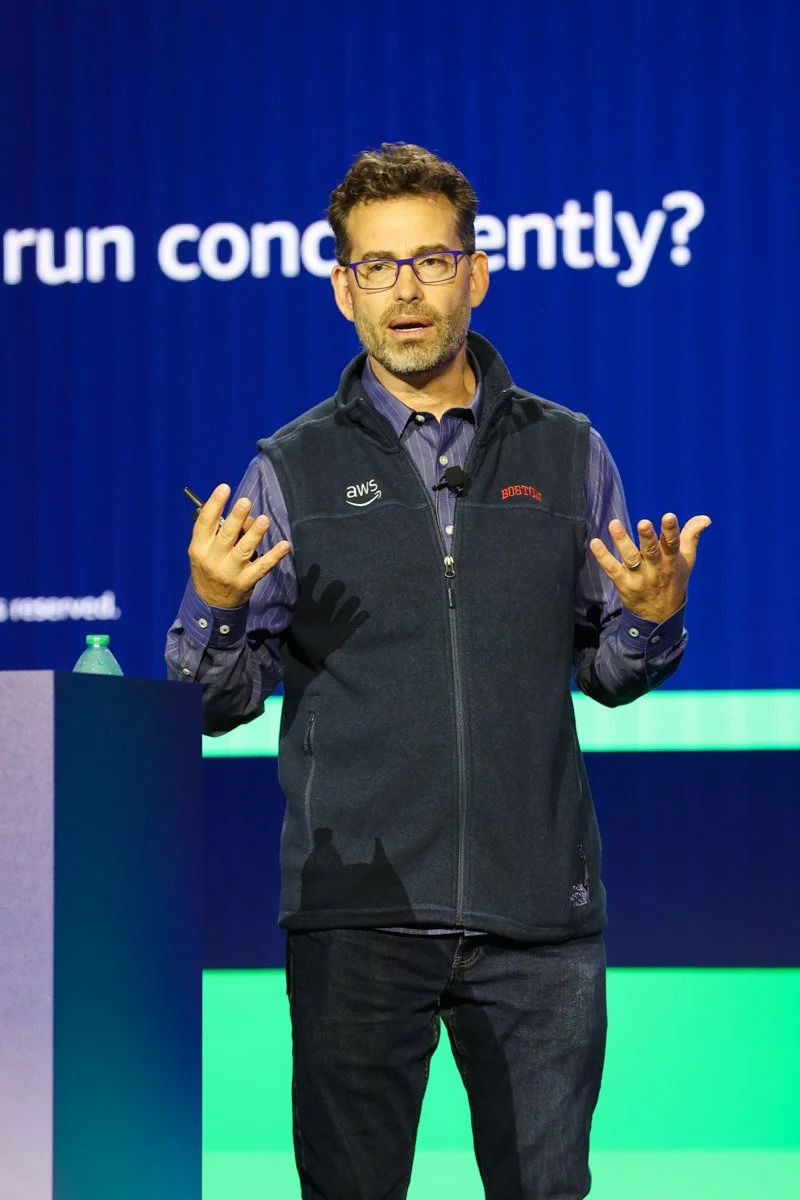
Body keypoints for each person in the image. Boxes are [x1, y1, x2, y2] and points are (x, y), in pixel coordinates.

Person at [166, 143, 709, 1199]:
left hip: (538, 923)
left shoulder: (567, 451)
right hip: (357, 920)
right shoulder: (289, 468)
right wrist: (217, 607)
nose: (404, 292)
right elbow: (212, 704)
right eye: (375, 267)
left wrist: (648, 623)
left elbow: (607, 672)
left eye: (428, 260)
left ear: (476, 272)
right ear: (340, 289)